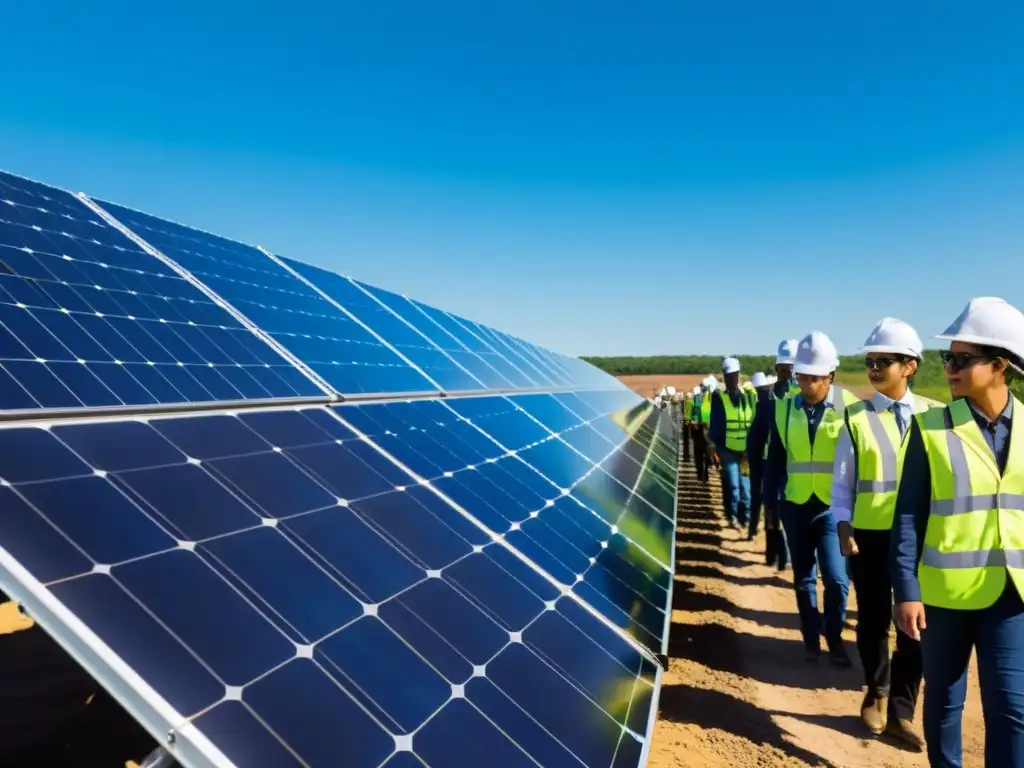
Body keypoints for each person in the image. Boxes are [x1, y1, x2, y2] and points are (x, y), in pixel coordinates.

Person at [890, 297, 1024, 768]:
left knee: (1012, 708)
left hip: (1013, 595)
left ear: (1000, 364)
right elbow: (908, 516)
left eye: (961, 360)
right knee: (945, 706)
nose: (949, 368)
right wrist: (906, 589)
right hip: (943, 597)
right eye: (948, 358)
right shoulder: (930, 429)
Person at [831, 318, 940, 748]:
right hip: (871, 536)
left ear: (909, 366)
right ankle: (876, 692)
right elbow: (843, 486)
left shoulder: (935, 415)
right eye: (870, 361)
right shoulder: (856, 418)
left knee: (916, 624)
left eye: (884, 361)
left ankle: (902, 708)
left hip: (920, 538)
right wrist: (843, 526)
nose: (874, 368)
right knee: (874, 619)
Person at [764, 331, 860, 665]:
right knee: (803, 578)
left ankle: (834, 638)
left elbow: (860, 460)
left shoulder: (849, 407)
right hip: (795, 505)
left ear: (830, 376)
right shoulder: (783, 408)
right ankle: (810, 640)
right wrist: (772, 514)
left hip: (833, 509)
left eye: (814, 378)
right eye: (802, 376)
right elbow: (775, 461)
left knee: (836, 578)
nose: (807, 384)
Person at [748, 339, 800, 562]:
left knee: (789, 510)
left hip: (797, 467)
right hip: (771, 465)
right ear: (777, 369)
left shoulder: (805, 399)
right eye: (784, 368)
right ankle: (772, 548)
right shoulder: (769, 400)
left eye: (792, 369)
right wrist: (754, 465)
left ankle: (786, 554)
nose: (788, 373)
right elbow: (757, 438)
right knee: (771, 509)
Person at [708, 357, 754, 530]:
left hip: (744, 452)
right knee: (734, 486)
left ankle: (747, 518)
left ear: (739, 376)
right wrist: (714, 449)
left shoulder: (747, 397)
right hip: (727, 450)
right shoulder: (720, 399)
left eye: (735, 375)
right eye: (729, 376)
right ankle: (733, 516)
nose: (732, 379)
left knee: (746, 489)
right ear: (725, 378)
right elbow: (715, 426)